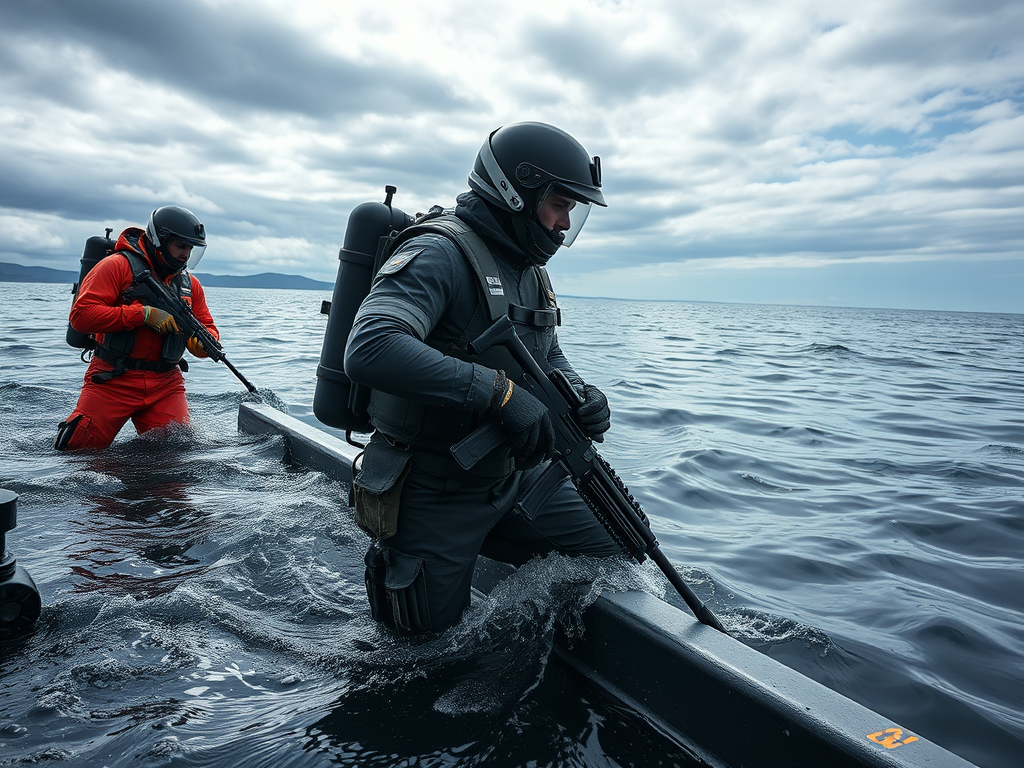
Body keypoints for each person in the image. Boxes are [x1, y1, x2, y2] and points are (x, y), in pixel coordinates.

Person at [344, 122, 619, 634]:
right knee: (421, 655)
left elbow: (549, 354)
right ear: (516, 192)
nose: (564, 223)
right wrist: (497, 393)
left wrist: (582, 394)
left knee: (617, 548)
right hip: (435, 484)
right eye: (559, 204)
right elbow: (370, 345)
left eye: (571, 211)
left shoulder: (531, 269)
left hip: (515, 473)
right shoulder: (440, 253)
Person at [55, 206, 219, 451]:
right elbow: (81, 316)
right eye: (180, 246)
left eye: (191, 249)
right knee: (78, 453)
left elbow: (209, 328)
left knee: (176, 455)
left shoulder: (190, 285)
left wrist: (202, 344)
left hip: (166, 384)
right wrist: (142, 315)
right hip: (111, 379)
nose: (186, 255)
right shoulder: (116, 266)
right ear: (159, 241)